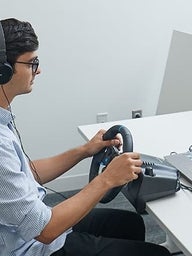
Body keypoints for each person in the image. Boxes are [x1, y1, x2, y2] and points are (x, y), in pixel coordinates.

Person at [0, 18, 171, 256]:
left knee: (129, 224)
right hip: (31, 246)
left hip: (31, 228)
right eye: (32, 63)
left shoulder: (3, 118)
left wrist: (83, 151)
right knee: (156, 254)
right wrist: (107, 179)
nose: (38, 70)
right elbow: (45, 230)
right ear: (4, 70)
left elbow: (25, 174)